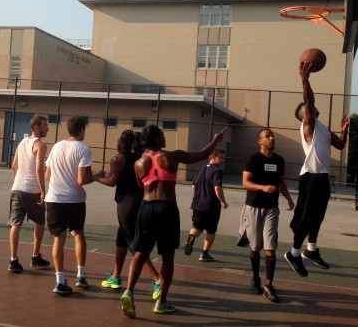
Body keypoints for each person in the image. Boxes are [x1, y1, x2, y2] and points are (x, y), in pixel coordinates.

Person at [120, 125, 226, 318]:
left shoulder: (139, 163)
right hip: (167, 209)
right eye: (162, 134)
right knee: (168, 258)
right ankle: (161, 302)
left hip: (146, 208)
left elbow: (140, 186)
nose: (165, 137)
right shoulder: (172, 156)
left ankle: (129, 291)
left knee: (140, 254)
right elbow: (202, 154)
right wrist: (216, 140)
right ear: (157, 139)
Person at [286, 62, 349, 278]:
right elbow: (309, 100)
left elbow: (340, 145)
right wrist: (305, 79)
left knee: (318, 217)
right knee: (306, 217)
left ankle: (310, 251)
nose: (310, 109)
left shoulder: (323, 128)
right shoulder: (308, 126)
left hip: (322, 179)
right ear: (304, 116)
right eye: (307, 110)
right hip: (310, 178)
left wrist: (344, 131)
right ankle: (293, 253)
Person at [95, 130, 162, 299]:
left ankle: (157, 279)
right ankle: (116, 277)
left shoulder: (118, 158)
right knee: (121, 239)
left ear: (122, 142)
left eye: (118, 140)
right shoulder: (140, 157)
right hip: (140, 200)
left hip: (126, 204)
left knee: (134, 244)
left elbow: (112, 181)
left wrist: (93, 177)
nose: (116, 142)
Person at [44, 116, 104, 296]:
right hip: (75, 200)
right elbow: (81, 180)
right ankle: (81, 275)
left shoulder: (56, 147)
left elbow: (48, 175)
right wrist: (97, 176)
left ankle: (60, 280)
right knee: (78, 235)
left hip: (54, 199)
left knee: (58, 240)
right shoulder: (84, 150)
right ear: (81, 130)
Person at [241, 128, 294, 303]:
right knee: (255, 247)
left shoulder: (279, 160)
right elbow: (245, 182)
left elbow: (281, 182)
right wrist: (262, 187)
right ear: (260, 141)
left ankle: (269, 285)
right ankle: (255, 277)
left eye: (272, 136)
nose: (271, 138)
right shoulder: (253, 158)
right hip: (254, 207)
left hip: (272, 208)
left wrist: (288, 199)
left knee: (270, 247)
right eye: (267, 136)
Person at [7, 115, 50, 273]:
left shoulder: (22, 142)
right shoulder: (40, 144)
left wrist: (19, 180)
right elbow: (39, 169)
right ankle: (35, 256)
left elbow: (13, 166)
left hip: (17, 188)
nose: (48, 128)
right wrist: (43, 191)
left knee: (15, 224)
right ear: (37, 127)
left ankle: (13, 260)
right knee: (40, 222)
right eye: (45, 126)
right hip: (32, 190)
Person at [184, 147, 229, 262]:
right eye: (221, 157)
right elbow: (217, 187)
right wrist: (223, 201)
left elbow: (193, 185)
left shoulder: (202, 168)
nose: (223, 160)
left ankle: (191, 237)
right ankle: (204, 254)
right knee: (211, 231)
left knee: (197, 228)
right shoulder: (217, 170)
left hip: (197, 204)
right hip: (211, 206)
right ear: (213, 157)